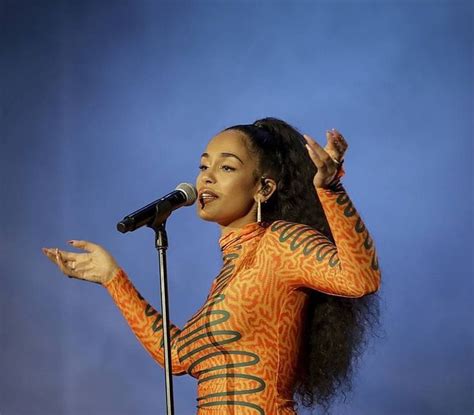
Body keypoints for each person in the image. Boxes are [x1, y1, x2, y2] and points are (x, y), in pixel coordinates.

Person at [43, 117, 381, 415]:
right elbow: (176, 355)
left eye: (227, 167)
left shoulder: (281, 242)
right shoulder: (226, 276)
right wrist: (112, 278)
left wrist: (332, 190)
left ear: (264, 188)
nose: (207, 178)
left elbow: (359, 278)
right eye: (204, 167)